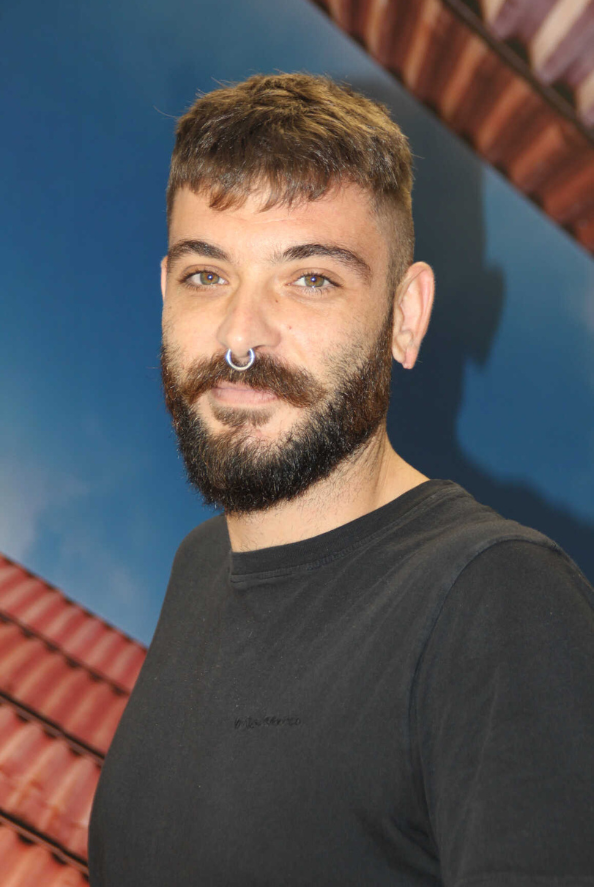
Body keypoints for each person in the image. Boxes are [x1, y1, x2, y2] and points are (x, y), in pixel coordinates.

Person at [88, 73, 594, 886]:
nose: (240, 337)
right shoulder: (201, 566)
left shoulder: (494, 599)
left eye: (311, 278)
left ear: (405, 315)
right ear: (164, 293)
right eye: (206, 275)